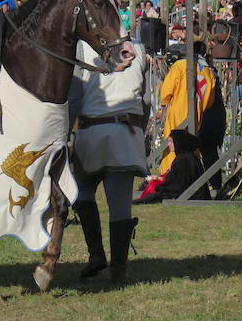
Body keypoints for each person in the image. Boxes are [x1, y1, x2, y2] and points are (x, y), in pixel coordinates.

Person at [69, 39, 147, 283]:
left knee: (81, 193)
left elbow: (74, 96)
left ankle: (97, 255)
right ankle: (118, 268)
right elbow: (145, 99)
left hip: (91, 133)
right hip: (126, 133)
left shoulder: (82, 48)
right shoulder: (139, 49)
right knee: (119, 203)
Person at [157, 40, 216, 175]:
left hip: (177, 113)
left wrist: (165, 102)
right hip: (196, 115)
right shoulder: (209, 72)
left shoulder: (180, 66)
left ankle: (170, 176)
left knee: (173, 146)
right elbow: (210, 101)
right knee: (191, 147)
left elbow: (166, 92)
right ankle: (190, 176)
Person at [135, 129, 209, 203]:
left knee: (153, 186)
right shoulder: (186, 156)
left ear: (179, 142)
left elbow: (176, 185)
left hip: (191, 194)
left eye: (171, 141)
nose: (168, 144)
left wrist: (158, 182)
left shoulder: (183, 159)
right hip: (192, 192)